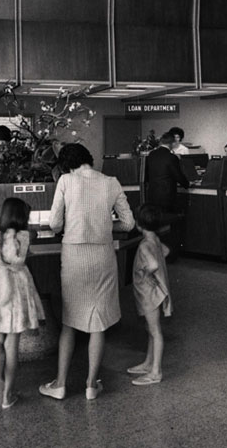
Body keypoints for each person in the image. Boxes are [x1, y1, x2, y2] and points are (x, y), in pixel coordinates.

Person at [39, 143, 135, 401]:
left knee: (70, 321)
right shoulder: (111, 182)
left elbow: (55, 223)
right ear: (88, 159)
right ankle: (92, 385)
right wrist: (103, 224)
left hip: (74, 256)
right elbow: (128, 222)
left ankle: (59, 384)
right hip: (103, 254)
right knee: (98, 323)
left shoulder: (66, 181)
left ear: (67, 163)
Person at [0, 197, 45, 410]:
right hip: (15, 289)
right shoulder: (23, 237)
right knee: (12, 343)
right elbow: (20, 258)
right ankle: (8, 395)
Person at [127, 203, 173, 386]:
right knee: (150, 328)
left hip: (149, 293)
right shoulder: (155, 240)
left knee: (155, 330)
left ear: (139, 225)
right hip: (153, 293)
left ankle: (156, 372)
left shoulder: (145, 245)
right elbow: (166, 251)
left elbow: (153, 264)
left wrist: (147, 274)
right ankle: (148, 363)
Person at [145, 132, 191, 261]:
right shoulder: (171, 158)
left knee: (156, 224)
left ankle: (157, 253)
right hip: (167, 195)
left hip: (153, 194)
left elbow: (147, 175)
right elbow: (178, 176)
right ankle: (169, 255)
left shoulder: (151, 155)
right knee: (170, 226)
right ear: (171, 144)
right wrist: (187, 184)